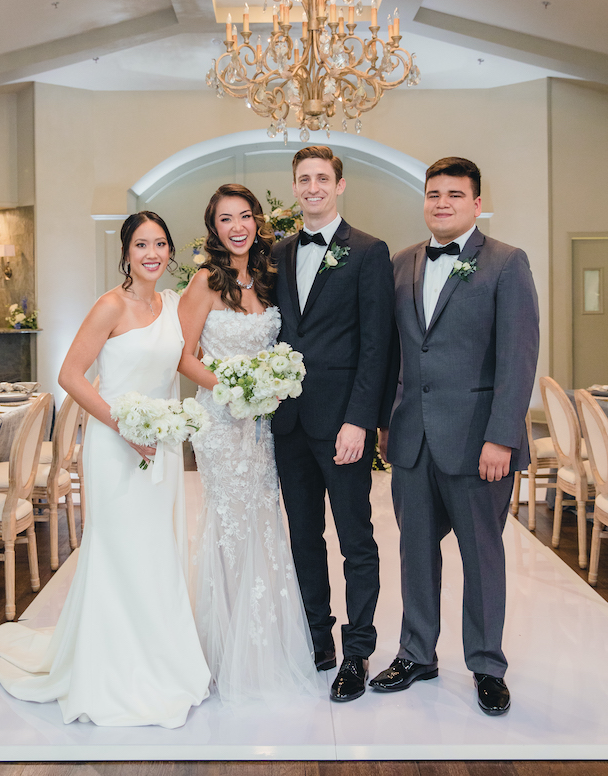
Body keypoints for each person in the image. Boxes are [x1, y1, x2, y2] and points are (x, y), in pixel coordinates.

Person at [0, 211, 211, 728]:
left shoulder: (172, 305)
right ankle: (111, 667)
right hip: (116, 444)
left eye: (161, 244)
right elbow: (70, 374)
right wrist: (123, 426)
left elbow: (182, 362)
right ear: (126, 252)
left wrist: (229, 387)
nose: (153, 253)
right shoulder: (110, 304)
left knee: (159, 550)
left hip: (163, 445)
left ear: (171, 252)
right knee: (120, 551)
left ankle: (160, 659)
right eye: (142, 245)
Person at [370, 157, 539, 716]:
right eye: (433, 194)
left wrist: (503, 438)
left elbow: (518, 359)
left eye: (454, 195)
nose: (441, 203)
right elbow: (394, 352)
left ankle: (487, 663)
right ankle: (417, 653)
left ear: (475, 202)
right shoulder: (401, 264)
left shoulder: (506, 263)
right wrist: (385, 423)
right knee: (415, 553)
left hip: (477, 444)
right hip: (412, 439)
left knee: (481, 556)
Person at [178, 183, 319, 704]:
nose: (236, 227)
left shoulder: (267, 277)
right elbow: (184, 355)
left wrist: (270, 385)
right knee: (230, 525)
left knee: (264, 523)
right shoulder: (205, 281)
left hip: (261, 427)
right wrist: (234, 386)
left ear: (258, 221)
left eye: (243, 216)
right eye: (224, 219)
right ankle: (223, 649)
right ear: (213, 228)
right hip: (220, 423)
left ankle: (266, 646)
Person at [271, 145, 396, 703]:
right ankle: (317, 638)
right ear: (295, 187)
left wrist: (360, 423)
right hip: (289, 423)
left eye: (323, 178)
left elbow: (377, 345)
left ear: (340, 186)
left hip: (343, 425)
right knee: (303, 537)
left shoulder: (369, 251)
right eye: (304, 179)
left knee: (356, 539)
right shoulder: (275, 253)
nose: (313, 187)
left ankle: (358, 650)